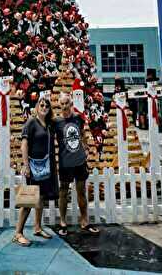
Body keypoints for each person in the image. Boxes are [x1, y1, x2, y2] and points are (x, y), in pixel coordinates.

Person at [12, 97, 58, 246]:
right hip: (33, 166)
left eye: (47, 105)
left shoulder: (49, 125)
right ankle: (18, 233)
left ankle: (37, 227)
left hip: (46, 166)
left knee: (41, 197)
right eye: (42, 104)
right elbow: (24, 145)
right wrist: (26, 166)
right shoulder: (31, 122)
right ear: (37, 107)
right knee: (28, 200)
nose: (44, 107)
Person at [55, 92, 99, 236]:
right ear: (59, 105)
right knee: (63, 192)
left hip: (79, 161)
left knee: (81, 191)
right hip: (65, 162)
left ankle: (84, 220)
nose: (64, 106)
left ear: (71, 103)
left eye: (66, 103)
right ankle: (62, 221)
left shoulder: (78, 118)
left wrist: (86, 148)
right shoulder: (56, 122)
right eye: (62, 103)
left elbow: (83, 134)